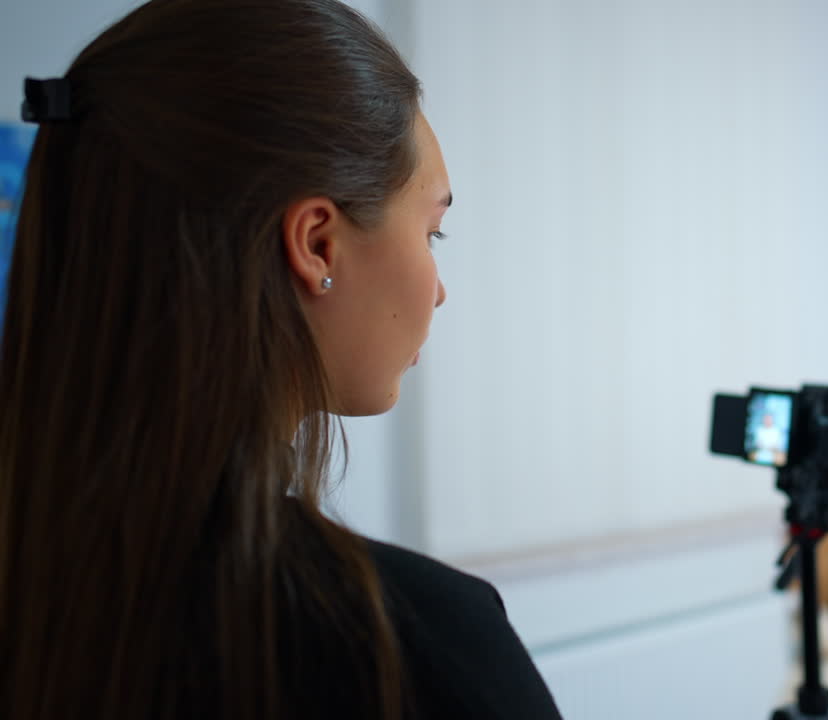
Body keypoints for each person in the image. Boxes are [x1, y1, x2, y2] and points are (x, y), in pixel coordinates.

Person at [0, 1, 563, 719]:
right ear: (317, 244)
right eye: (433, 234)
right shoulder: (411, 646)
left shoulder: (41, 583)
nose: (440, 289)